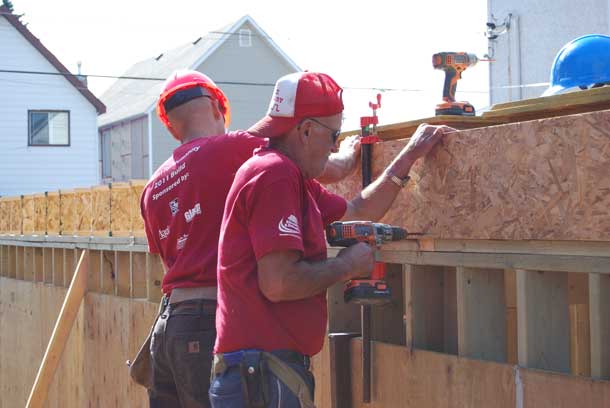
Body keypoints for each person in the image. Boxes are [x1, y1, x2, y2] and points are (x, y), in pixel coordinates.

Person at [210, 71, 452, 407]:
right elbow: (279, 283)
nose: (337, 145)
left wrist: (408, 156)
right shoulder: (274, 175)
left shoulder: (292, 176)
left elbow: (356, 210)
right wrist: (345, 266)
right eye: (334, 134)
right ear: (306, 130)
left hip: (263, 370)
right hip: (261, 374)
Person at [139, 70, 360, 408]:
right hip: (210, 322)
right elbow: (322, 164)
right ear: (217, 108)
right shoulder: (236, 149)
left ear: (169, 125)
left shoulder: (152, 187)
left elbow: (165, 262)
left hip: (168, 328)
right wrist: (347, 153)